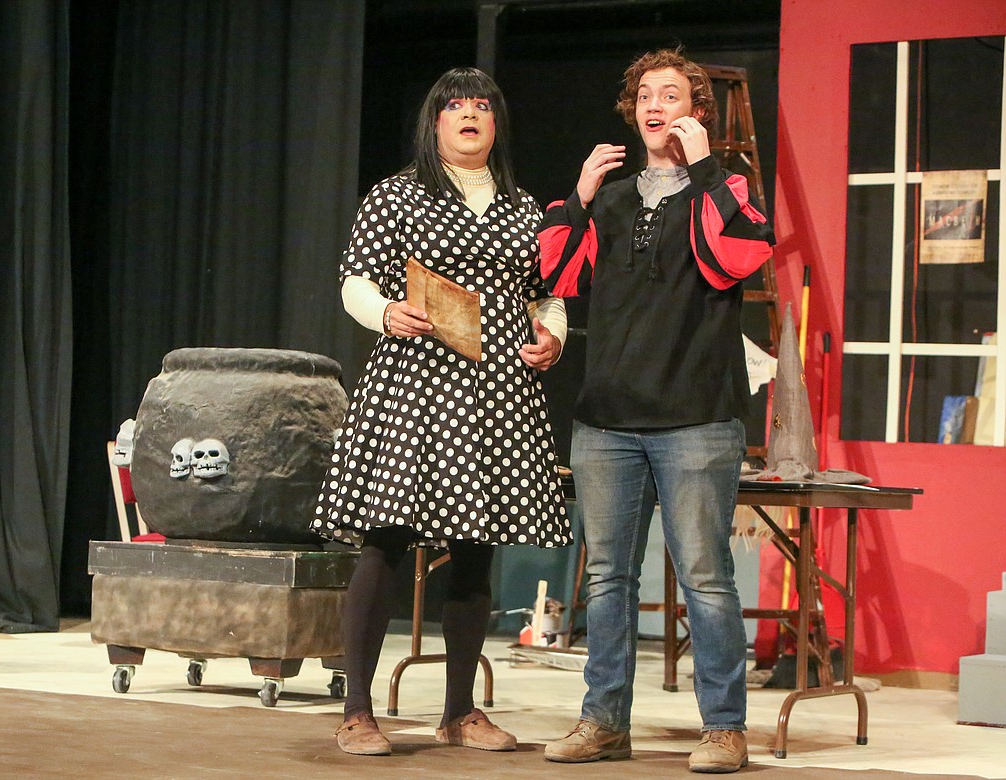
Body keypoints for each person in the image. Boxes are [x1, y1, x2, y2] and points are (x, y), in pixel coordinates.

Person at [312, 67, 573, 757]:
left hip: (494, 391)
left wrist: (552, 336)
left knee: (475, 547)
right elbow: (356, 281)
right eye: (454, 106)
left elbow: (546, 293)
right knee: (386, 538)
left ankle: (460, 711)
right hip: (417, 383)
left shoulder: (524, 209)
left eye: (481, 106)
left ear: (496, 123)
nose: (469, 115)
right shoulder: (396, 196)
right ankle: (358, 711)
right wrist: (384, 311)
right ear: (434, 123)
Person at [537, 48, 776, 773]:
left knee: (705, 576)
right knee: (605, 577)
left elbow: (741, 256)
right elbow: (552, 273)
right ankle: (603, 721)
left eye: (671, 94)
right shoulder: (608, 197)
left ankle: (724, 728)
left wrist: (706, 171)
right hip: (608, 417)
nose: (654, 105)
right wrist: (578, 194)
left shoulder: (724, 187)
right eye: (644, 94)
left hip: (697, 416)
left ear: (696, 111)